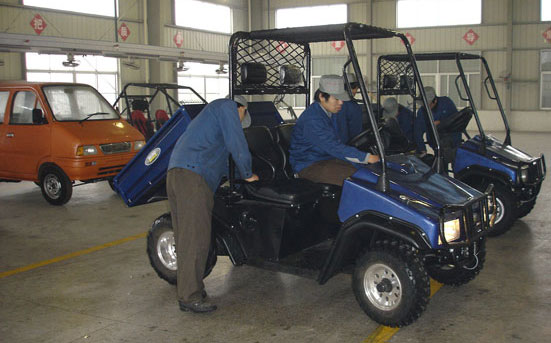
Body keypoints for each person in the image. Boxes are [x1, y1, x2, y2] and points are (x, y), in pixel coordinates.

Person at [166, 95, 259, 313]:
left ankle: (190, 288)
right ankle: (190, 297)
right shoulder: (226, 107)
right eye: (243, 116)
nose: (240, 122)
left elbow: (221, 158)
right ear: (241, 108)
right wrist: (247, 174)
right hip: (193, 178)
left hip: (178, 174)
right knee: (196, 239)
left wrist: (235, 176)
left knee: (185, 238)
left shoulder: (211, 115)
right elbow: (237, 144)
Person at [289, 75, 380, 186]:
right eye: (337, 99)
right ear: (322, 96)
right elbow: (334, 147)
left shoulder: (329, 113)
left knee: (366, 173)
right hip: (308, 165)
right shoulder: (312, 119)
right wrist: (367, 157)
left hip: (328, 158)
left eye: (342, 98)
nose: (341, 102)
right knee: (357, 182)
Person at [414, 86, 460, 156]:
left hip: (453, 140)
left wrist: (441, 123)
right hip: (436, 144)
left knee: (456, 160)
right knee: (440, 162)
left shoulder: (446, 103)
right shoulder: (422, 112)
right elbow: (418, 132)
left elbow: (456, 120)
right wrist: (422, 149)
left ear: (435, 100)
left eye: (428, 104)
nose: (426, 107)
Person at [332, 73, 363, 143]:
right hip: (345, 146)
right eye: (353, 87)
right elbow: (340, 131)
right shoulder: (342, 105)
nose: (355, 90)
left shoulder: (353, 104)